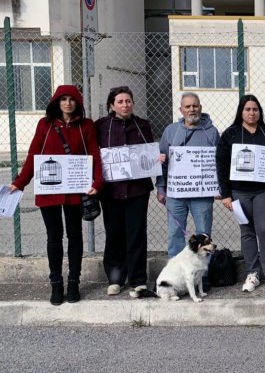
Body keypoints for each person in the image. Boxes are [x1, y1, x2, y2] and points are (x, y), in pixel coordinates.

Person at [7, 85, 103, 305]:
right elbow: (33, 154)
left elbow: (94, 155)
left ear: (78, 102)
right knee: (54, 237)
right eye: (63, 99)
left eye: (72, 99)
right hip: (50, 191)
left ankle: (73, 282)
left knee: (75, 236)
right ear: (56, 102)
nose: (68, 103)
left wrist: (97, 183)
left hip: (74, 190)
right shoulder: (45, 124)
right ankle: (56, 284)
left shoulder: (86, 126)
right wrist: (19, 183)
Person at [216, 94, 265, 292]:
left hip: (263, 191)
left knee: (264, 229)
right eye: (247, 109)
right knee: (247, 232)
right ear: (241, 111)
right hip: (239, 193)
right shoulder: (230, 135)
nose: (251, 113)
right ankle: (252, 273)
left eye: (255, 109)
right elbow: (221, 165)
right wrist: (226, 194)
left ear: (260, 112)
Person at [95, 86, 162, 297]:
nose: (125, 105)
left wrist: (155, 159)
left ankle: (138, 279)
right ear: (111, 105)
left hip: (137, 191)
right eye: (120, 102)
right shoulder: (101, 126)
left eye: (128, 101)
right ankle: (115, 278)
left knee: (136, 235)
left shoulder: (142, 125)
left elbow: (149, 153)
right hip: (111, 191)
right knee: (114, 234)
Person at [156, 92, 220, 258]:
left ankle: (203, 277)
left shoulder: (212, 132)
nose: (192, 109)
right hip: (176, 194)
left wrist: (219, 186)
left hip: (202, 194)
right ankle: (176, 275)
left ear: (200, 107)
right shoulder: (171, 131)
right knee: (175, 234)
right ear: (181, 110)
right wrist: (161, 188)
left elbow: (219, 162)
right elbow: (161, 162)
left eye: (195, 105)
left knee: (204, 234)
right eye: (188, 106)